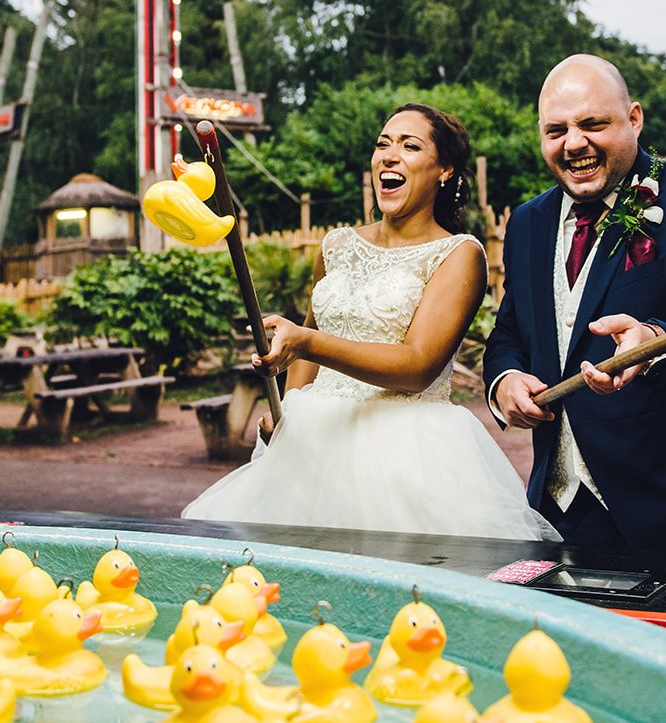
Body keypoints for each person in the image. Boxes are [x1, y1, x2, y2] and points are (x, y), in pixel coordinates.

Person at [183, 103, 558, 541]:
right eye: (383, 144)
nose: (389, 155)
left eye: (409, 146)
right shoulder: (337, 244)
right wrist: (286, 411)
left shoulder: (460, 254)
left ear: (445, 170)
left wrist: (304, 342)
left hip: (406, 454)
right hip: (310, 447)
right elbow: (315, 330)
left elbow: (418, 366)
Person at [483, 55, 666, 554]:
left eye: (592, 124)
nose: (574, 143)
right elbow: (511, 331)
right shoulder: (528, 223)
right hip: (559, 514)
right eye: (556, 130)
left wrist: (655, 341)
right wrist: (505, 379)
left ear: (634, 118)